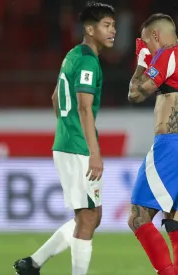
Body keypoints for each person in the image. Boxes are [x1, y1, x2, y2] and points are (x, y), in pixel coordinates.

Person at [13, 2, 116, 275]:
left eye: (113, 25)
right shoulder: (87, 61)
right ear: (90, 29)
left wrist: (65, 130)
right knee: (88, 217)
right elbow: (83, 107)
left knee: (92, 216)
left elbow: (56, 99)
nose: (113, 31)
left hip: (67, 142)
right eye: (106, 26)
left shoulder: (72, 55)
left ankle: (32, 263)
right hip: (79, 146)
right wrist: (93, 151)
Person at [126, 13, 178, 275]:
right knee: (176, 225)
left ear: (155, 36)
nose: (148, 50)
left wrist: (141, 61)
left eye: (147, 44)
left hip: (169, 146)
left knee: (138, 218)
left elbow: (135, 93)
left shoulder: (167, 55)